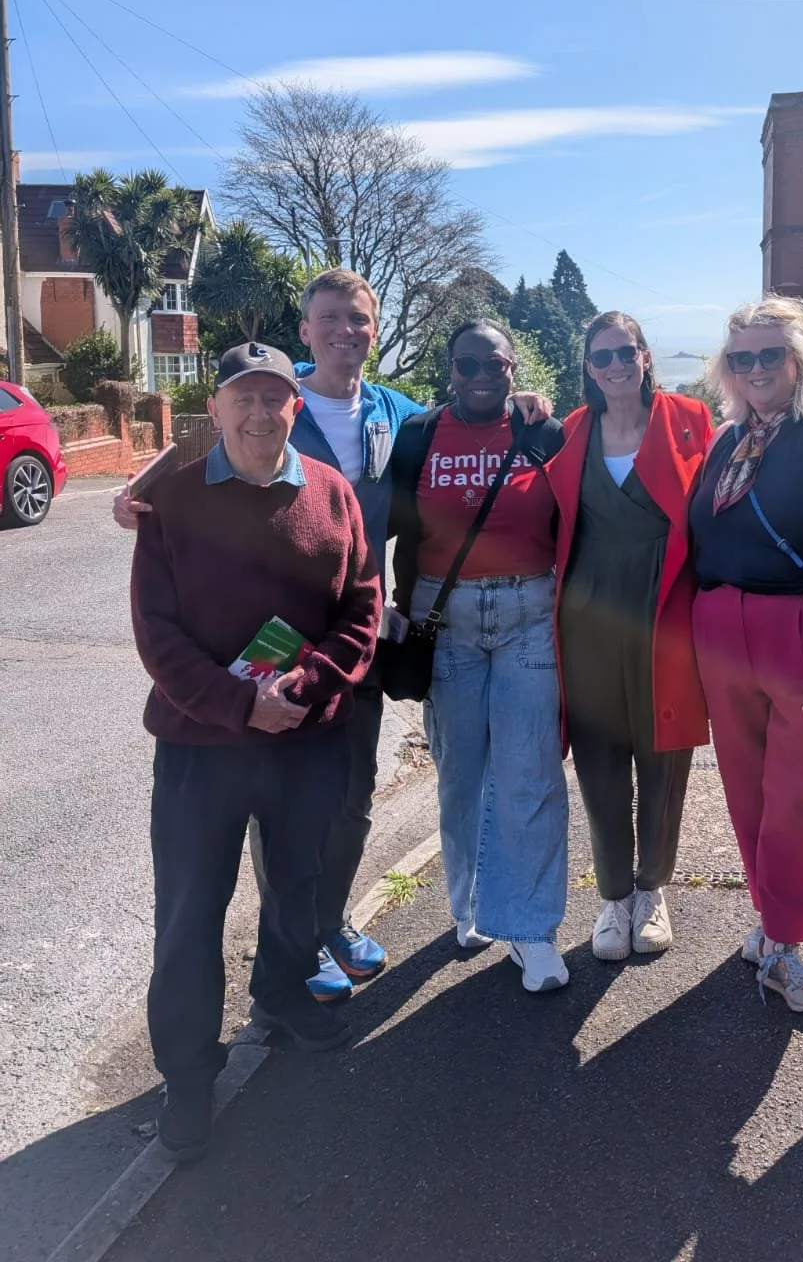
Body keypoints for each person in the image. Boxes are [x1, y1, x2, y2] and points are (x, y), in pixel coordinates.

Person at [116, 268, 550, 1004]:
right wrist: (133, 502)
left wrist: (523, 403)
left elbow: (464, 417)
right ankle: (296, 941)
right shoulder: (275, 399)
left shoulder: (395, 413)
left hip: (358, 632)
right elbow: (197, 476)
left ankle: (331, 919)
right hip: (262, 652)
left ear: (373, 331)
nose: (346, 331)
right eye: (330, 319)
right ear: (306, 330)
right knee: (272, 799)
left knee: (347, 794)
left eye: (358, 320)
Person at [130, 341, 381, 1161]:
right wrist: (242, 704)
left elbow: (362, 607)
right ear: (217, 408)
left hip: (304, 741)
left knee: (299, 887)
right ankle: (189, 1076)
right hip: (201, 747)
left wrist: (300, 690)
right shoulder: (169, 498)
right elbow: (156, 634)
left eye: (275, 397)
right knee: (190, 912)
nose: (259, 411)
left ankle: (280, 996)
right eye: (243, 396)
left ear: (295, 408)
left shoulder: (332, 494)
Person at [689, 297, 803, 1011]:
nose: (759, 368)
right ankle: (770, 924)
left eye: (773, 354)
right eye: (744, 358)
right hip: (719, 626)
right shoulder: (726, 438)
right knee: (748, 788)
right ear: (728, 369)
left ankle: (786, 942)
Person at [388, 320, 570, 993]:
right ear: (451, 370)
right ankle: (468, 907)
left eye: (496, 361)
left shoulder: (542, 434)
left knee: (531, 774)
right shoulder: (418, 434)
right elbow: (381, 521)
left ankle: (532, 930)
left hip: (528, 616)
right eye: (468, 363)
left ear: (513, 367)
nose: (483, 374)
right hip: (447, 618)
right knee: (461, 775)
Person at [548, 312, 712, 961]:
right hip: (588, 611)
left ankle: (653, 890)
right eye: (601, 357)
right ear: (588, 368)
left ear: (645, 357)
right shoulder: (572, 430)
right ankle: (613, 897)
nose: (614, 365)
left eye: (625, 352)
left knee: (664, 753)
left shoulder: (690, 420)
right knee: (599, 757)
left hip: (665, 603)